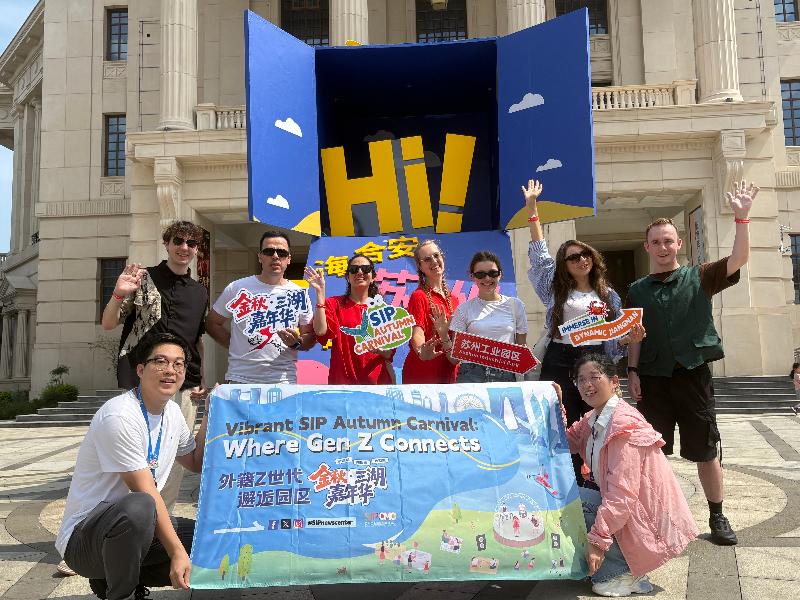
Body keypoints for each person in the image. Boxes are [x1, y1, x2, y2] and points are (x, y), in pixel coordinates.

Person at [626, 180, 759, 546]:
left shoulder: (699, 275)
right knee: (652, 452)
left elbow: (738, 260)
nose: (663, 247)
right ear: (647, 247)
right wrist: (632, 371)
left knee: (705, 449)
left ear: (679, 244)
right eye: (656, 242)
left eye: (668, 241)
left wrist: (742, 219)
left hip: (693, 375)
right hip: (653, 379)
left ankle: (717, 515)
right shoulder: (636, 290)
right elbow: (635, 335)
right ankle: (655, 516)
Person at [56, 333, 211, 600]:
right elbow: (145, 491)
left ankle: (111, 580)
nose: (170, 370)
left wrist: (211, 413)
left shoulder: (172, 413)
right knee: (141, 506)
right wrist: (176, 552)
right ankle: (122, 594)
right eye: (160, 361)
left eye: (178, 364)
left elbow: (195, 461)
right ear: (140, 369)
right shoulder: (119, 416)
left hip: (135, 529)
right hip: (85, 540)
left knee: (211, 540)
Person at [524, 179, 644, 481]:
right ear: (564, 265)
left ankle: (598, 480)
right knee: (559, 418)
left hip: (594, 359)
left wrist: (630, 339)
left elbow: (615, 338)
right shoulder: (555, 290)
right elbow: (539, 256)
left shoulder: (608, 296)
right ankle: (566, 481)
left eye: (585, 254)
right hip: (560, 357)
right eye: (573, 257)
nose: (581, 260)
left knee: (595, 419)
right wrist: (532, 209)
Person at [563, 353, 698, 597]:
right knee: (565, 497)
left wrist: (597, 542)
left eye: (594, 377)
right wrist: (554, 406)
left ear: (614, 381)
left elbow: (621, 496)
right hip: (631, 511)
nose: (587, 385)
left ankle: (624, 572)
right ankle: (616, 565)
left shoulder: (622, 425)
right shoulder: (594, 418)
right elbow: (566, 441)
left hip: (645, 519)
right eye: (580, 379)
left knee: (575, 504)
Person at [100, 219, 209, 513]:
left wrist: (201, 377)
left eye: (191, 243)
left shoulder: (200, 292)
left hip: (183, 384)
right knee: (135, 451)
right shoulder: (142, 279)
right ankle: (131, 517)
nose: (184, 248)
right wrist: (118, 293)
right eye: (178, 241)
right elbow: (108, 323)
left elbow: (197, 340)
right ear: (167, 244)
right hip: (141, 378)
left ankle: (163, 518)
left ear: (197, 249)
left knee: (174, 456)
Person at [206, 231, 315, 384]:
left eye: (281, 253)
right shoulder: (237, 288)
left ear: (288, 259)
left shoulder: (299, 293)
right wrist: (234, 345)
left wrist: (296, 343)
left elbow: (309, 335)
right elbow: (212, 323)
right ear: (260, 257)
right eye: (269, 251)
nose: (275, 256)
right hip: (241, 379)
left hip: (283, 380)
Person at [305, 254, 394, 384]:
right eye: (354, 269)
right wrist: (320, 292)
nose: (360, 272)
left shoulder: (383, 310)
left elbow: (389, 353)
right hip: (343, 385)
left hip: (377, 385)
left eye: (365, 269)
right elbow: (320, 331)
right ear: (348, 277)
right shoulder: (333, 304)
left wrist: (381, 350)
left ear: (373, 277)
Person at [447, 250, 527, 383]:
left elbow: (521, 348)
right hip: (471, 375)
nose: (487, 279)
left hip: (505, 375)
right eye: (480, 274)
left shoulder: (516, 305)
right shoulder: (463, 310)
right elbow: (455, 358)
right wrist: (443, 335)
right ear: (472, 276)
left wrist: (529, 363)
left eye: (492, 273)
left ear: (500, 275)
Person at [401, 240, 460, 383]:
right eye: (427, 259)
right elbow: (417, 332)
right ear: (420, 267)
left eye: (436, 255)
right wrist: (421, 350)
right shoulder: (419, 296)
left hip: (449, 371)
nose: (434, 261)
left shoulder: (454, 299)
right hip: (424, 372)